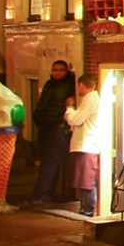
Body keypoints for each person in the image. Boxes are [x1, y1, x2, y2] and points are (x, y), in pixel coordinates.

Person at [24, 61, 76, 206]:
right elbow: (42, 104)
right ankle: (44, 194)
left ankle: (40, 195)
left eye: (60, 70)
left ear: (66, 71)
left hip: (57, 128)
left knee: (50, 162)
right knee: (47, 162)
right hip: (45, 127)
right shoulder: (49, 84)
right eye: (54, 70)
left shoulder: (68, 85)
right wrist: (38, 119)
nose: (57, 73)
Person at [64, 73, 105, 217]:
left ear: (81, 85)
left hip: (86, 145)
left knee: (86, 181)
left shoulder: (90, 101)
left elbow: (75, 120)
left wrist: (69, 108)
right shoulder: (91, 100)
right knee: (84, 180)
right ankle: (85, 208)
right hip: (85, 145)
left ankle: (87, 210)